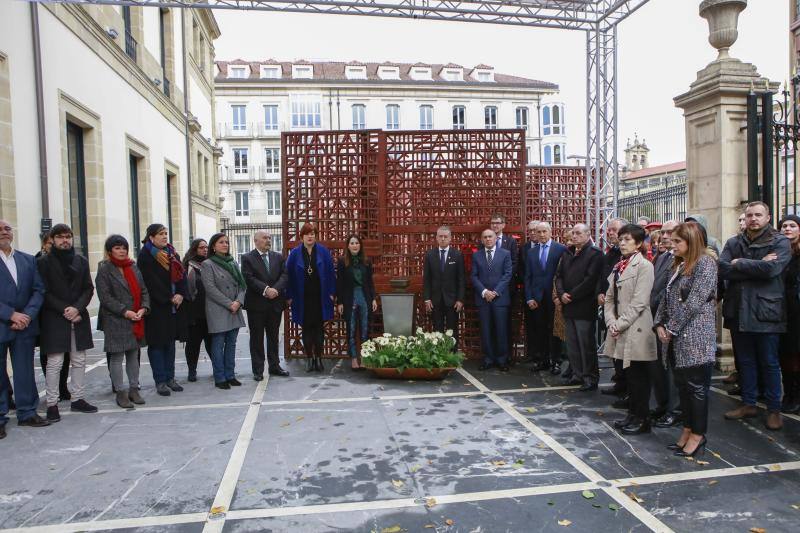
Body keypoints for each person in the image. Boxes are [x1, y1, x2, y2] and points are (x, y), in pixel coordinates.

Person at [720, 201, 790, 431]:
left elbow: (772, 270)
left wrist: (740, 263)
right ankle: (748, 403)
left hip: (766, 312)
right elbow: (722, 268)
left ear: (768, 217)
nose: (753, 219)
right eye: (749, 215)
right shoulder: (733, 242)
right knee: (745, 361)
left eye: (758, 215)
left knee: (769, 363)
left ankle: (773, 409)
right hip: (739, 310)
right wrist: (758, 265)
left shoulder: (779, 241)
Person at [655, 222, 719, 456]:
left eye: (677, 242)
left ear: (691, 242)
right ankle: (687, 429)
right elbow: (666, 297)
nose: (672, 245)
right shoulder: (678, 265)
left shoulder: (705, 264)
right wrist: (659, 323)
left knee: (696, 389)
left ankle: (698, 435)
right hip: (676, 335)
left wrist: (670, 328)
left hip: (695, 337)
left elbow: (695, 301)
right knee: (683, 387)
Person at [37, 224, 97, 421]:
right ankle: (52, 403)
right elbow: (43, 291)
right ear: (52, 240)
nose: (65, 240)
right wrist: (65, 309)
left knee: (79, 360)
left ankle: (78, 398)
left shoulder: (81, 261)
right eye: (60, 237)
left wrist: (77, 308)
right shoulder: (44, 263)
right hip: (55, 317)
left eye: (68, 236)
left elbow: (88, 288)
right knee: (55, 363)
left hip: (78, 317)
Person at [604, 224, 656, 434]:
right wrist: (610, 321)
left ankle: (642, 419)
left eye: (627, 239)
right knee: (628, 377)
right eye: (621, 239)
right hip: (620, 327)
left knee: (639, 377)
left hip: (637, 328)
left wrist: (619, 324)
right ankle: (632, 415)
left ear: (638, 243)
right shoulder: (619, 266)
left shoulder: (644, 266)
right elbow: (609, 298)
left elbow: (640, 302)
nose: (622, 243)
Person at [0, 219, 49, 438]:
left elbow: (39, 290)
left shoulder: (28, 260)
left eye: (7, 228)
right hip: (2, 323)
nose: (3, 232)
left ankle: (27, 412)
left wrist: (27, 315)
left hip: (25, 326)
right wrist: (10, 314)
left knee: (25, 371)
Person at [96, 235, 149, 409]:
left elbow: (143, 290)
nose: (122, 251)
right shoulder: (104, 269)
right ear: (110, 250)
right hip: (116, 319)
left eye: (124, 247)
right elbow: (105, 297)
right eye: (117, 248)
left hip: (136, 318)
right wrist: (125, 312)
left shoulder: (133, 267)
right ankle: (120, 392)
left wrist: (143, 308)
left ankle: (134, 389)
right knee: (117, 357)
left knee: (133, 355)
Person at [137, 223, 187, 396]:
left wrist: (180, 293)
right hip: (157, 306)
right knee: (157, 344)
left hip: (174, 305)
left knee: (170, 343)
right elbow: (150, 282)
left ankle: (170, 378)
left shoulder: (172, 253)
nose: (165, 237)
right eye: (161, 234)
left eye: (166, 233)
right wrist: (168, 297)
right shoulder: (145, 256)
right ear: (151, 237)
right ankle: (160, 381)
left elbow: (181, 276)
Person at [556, 223, 604, 391]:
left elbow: (590, 280)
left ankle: (590, 377)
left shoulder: (595, 253)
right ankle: (577, 374)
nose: (574, 236)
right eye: (573, 233)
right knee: (573, 344)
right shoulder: (568, 252)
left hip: (584, 306)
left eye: (578, 233)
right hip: (568, 305)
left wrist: (572, 295)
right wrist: (561, 293)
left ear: (587, 234)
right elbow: (559, 276)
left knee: (586, 345)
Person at [286, 223, 336, 372]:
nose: (310, 236)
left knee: (320, 329)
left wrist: (332, 293)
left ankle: (319, 358)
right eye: (307, 233)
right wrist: (289, 296)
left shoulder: (323, 251)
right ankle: (309, 358)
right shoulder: (294, 253)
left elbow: (330, 273)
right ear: (301, 236)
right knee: (306, 329)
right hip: (302, 298)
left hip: (320, 297)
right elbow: (288, 276)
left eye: (313, 233)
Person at [241, 231, 289, 380]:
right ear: (256, 241)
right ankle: (258, 370)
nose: (268, 240)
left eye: (269, 238)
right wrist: (266, 289)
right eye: (265, 238)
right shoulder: (247, 258)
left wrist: (275, 289)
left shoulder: (278, 257)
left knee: (274, 337)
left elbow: (284, 275)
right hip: (256, 305)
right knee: (256, 338)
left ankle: (274, 366)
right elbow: (249, 278)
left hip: (275, 303)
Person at [201, 233, 246, 389]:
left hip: (234, 308)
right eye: (221, 242)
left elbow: (242, 285)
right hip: (219, 309)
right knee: (218, 343)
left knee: (232, 344)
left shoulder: (233, 262)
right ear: (213, 246)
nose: (225, 245)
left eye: (227, 242)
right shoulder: (207, 264)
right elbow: (210, 289)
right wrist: (229, 304)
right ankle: (220, 377)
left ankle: (230, 375)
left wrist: (239, 302)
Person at [649, 220, 682, 428]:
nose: (666, 236)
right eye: (664, 232)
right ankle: (662, 405)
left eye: (671, 232)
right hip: (656, 319)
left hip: (673, 321)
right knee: (658, 366)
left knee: (674, 369)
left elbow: (671, 292)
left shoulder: (684, 259)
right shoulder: (662, 257)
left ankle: (675, 410)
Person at [525, 222, 567, 373]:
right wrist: (529, 297)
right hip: (537, 298)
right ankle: (542, 360)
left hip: (554, 298)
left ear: (550, 232)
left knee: (555, 331)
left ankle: (556, 361)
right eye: (539, 232)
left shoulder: (561, 249)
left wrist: (560, 295)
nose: (541, 235)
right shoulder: (531, 252)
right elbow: (528, 277)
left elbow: (564, 275)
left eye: (544, 231)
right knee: (540, 330)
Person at [34, 231, 70, 401]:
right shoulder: (37, 262)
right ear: (44, 245)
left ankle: (62, 386)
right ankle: (53, 392)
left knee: (67, 353)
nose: (52, 246)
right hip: (45, 313)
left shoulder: (65, 261)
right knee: (49, 354)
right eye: (49, 243)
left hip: (66, 313)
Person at [471, 229, 513, 371]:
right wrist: (484, 292)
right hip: (483, 299)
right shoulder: (477, 255)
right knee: (486, 330)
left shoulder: (505, 254)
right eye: (485, 237)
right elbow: (474, 276)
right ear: (482, 240)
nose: (488, 239)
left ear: (496, 239)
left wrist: (495, 292)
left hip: (500, 299)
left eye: (490, 237)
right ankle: (488, 359)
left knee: (501, 330)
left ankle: (502, 360)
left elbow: (507, 274)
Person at [336, 235, 378, 369]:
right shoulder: (342, 262)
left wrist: (373, 299)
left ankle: (365, 358)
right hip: (350, 298)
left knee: (365, 328)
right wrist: (340, 302)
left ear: (360, 246)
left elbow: (370, 282)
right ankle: (354, 358)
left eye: (357, 243)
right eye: (352, 243)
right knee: (352, 328)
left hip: (364, 297)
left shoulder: (366, 261)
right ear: (348, 246)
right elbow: (340, 283)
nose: (354, 245)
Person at [599, 218, 628, 402]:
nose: (610, 233)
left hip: (624, 312)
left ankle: (627, 389)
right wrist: (600, 293)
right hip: (610, 308)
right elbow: (602, 277)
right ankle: (619, 382)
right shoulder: (610, 254)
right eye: (608, 230)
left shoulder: (632, 258)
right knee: (615, 353)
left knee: (625, 354)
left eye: (614, 230)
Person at [423, 226, 466, 348]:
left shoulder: (457, 255)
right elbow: (427, 279)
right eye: (440, 236)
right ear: (436, 238)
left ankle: (452, 356)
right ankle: (439, 356)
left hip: (452, 300)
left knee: (452, 330)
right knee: (437, 329)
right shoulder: (430, 255)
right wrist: (427, 298)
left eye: (445, 236)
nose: (442, 239)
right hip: (435, 299)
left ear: (450, 238)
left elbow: (461, 279)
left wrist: (460, 299)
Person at [778, 215, 800, 414]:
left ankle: (796, 395)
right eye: (784, 226)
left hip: (797, 310)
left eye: (792, 225)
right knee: (785, 354)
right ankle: (789, 394)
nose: (788, 229)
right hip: (781, 310)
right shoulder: (778, 253)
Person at [182, 239, 213, 382]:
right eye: (201, 248)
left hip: (210, 311)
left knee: (212, 343)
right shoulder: (188, 266)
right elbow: (186, 288)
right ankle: (192, 370)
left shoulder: (210, 264)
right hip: (194, 311)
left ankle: (218, 368)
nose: (205, 250)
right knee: (193, 344)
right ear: (195, 249)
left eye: (206, 247)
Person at [519, 220, 540, 361]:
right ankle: (532, 354)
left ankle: (546, 356)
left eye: (535, 230)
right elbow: (521, 271)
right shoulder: (524, 248)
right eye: (530, 230)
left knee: (545, 326)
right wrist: (528, 293)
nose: (532, 233)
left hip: (546, 294)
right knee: (531, 326)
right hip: (529, 293)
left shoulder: (553, 248)